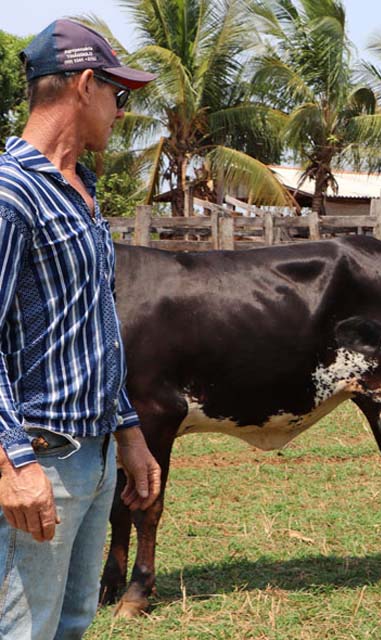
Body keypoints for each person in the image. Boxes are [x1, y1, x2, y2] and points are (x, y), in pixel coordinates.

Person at [0, 18, 162, 639]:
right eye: (117, 95)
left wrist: (128, 431)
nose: (121, 112)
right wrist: (14, 465)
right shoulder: (11, 195)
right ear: (85, 84)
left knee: (71, 624)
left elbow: (93, 325)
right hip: (40, 458)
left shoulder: (80, 189)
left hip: (93, 460)